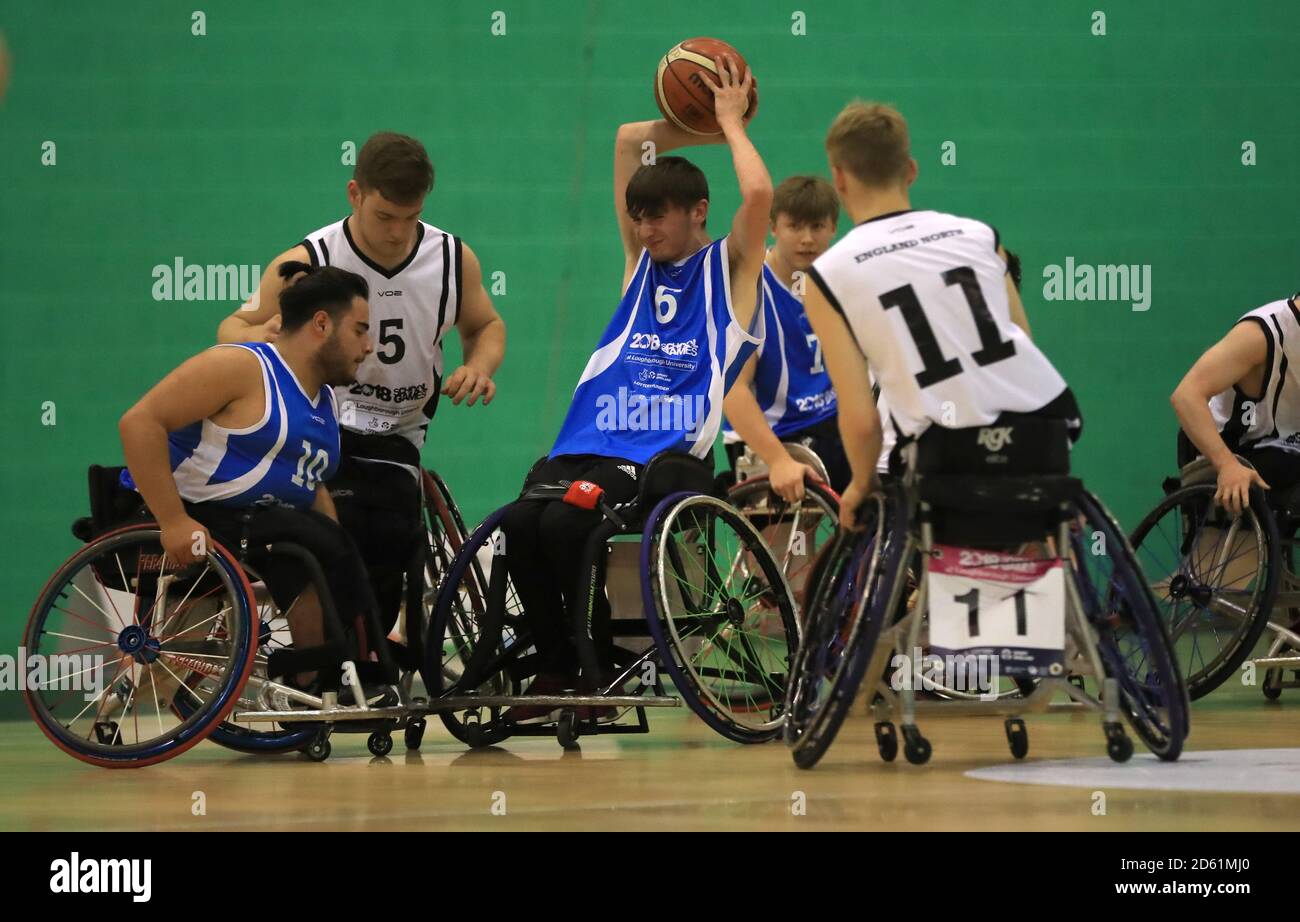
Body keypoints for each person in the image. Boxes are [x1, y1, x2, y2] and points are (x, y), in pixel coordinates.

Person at [501, 56, 772, 720]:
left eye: (659, 218)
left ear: (699, 212)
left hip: (664, 454)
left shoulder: (729, 271)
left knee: (568, 523)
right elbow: (629, 139)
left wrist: (732, 124)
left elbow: (760, 198)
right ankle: (556, 668)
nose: (646, 230)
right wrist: (693, 120)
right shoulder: (639, 267)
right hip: (589, 440)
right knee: (518, 524)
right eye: (639, 218)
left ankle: (593, 667)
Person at [216, 132, 505, 638]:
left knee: (390, 541)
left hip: (398, 435)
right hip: (322, 426)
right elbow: (233, 327)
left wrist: (479, 364)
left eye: (410, 218)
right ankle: (324, 656)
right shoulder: (309, 260)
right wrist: (257, 334)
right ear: (355, 194)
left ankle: (366, 653)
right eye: (384, 217)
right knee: (334, 530)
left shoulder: (454, 258)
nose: (397, 232)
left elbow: (486, 325)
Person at [800, 101, 1080, 529]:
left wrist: (858, 486)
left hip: (944, 453)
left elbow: (860, 417)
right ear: (910, 170)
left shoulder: (829, 274)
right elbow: (1020, 336)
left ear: (838, 178)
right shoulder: (980, 236)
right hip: (1045, 427)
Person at [120, 263, 374, 688]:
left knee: (319, 541)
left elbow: (314, 488)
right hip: (189, 512)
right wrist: (173, 521)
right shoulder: (241, 366)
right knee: (305, 537)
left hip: (259, 525)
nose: (369, 347)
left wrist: (339, 550)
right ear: (322, 324)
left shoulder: (325, 402)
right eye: (361, 330)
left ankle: (317, 678)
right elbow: (139, 422)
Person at [722, 175, 850, 499]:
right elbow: (732, 390)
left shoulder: (842, 281)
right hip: (771, 433)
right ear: (773, 228)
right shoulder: (750, 290)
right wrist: (777, 460)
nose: (807, 239)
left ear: (833, 228)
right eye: (795, 226)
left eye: (818, 227)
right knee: (775, 546)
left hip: (829, 423)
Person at [1171, 291, 1300, 514]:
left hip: (1286, 451)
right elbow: (1186, 396)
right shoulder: (1262, 332)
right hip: (1234, 450)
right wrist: (1226, 465)